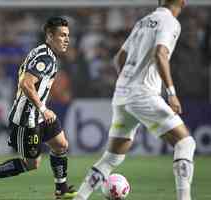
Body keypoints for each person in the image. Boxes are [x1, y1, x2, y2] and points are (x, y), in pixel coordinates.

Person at [74, 1, 196, 200]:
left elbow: (118, 58)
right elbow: (160, 54)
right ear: (182, 1)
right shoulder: (170, 22)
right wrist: (171, 92)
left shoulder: (143, 21)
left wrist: (127, 84)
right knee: (185, 143)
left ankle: (80, 197)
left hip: (122, 95)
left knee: (112, 158)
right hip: (144, 94)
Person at [0, 16, 77, 200]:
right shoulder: (45, 57)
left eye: (67, 35)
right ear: (49, 36)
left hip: (40, 114)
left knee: (61, 144)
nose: (66, 39)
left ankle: (61, 190)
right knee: (31, 164)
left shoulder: (44, 53)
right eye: (62, 35)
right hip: (28, 118)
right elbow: (26, 84)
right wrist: (43, 108)